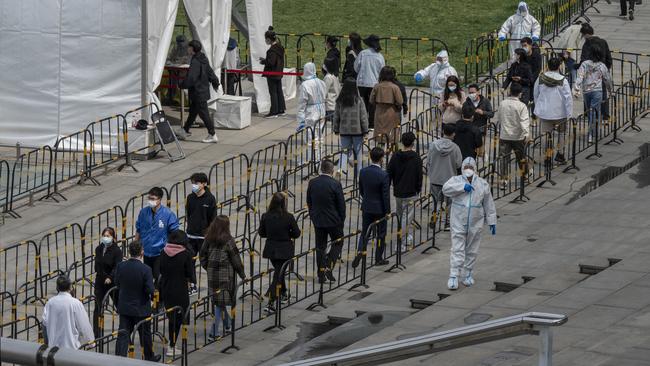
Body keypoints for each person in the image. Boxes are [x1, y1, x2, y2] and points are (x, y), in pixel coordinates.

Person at [442, 157, 497, 290]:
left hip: (475, 221)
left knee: (472, 249)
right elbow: (445, 189)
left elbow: (488, 203)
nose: (468, 170)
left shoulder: (482, 184)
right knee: (457, 248)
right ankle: (454, 275)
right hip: (458, 221)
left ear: (475, 169)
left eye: (471, 168)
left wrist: (491, 220)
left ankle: (467, 273)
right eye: (466, 167)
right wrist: (461, 187)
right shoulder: (455, 181)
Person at [200, 215, 246, 340]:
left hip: (212, 275)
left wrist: (208, 267)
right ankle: (213, 332)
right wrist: (242, 274)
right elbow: (236, 259)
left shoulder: (208, 238)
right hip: (225, 277)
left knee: (218, 301)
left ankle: (228, 324)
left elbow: (202, 255)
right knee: (219, 304)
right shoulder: (228, 240)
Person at [114, 241, 160, 362]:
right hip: (141, 308)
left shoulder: (121, 266)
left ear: (129, 252)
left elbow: (117, 283)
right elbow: (150, 289)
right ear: (142, 252)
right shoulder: (146, 269)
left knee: (123, 334)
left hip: (125, 307)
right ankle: (149, 356)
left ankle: (119, 358)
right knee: (145, 334)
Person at [258, 192, 301, 314]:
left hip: (271, 249)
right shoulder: (288, 217)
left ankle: (284, 294)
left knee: (279, 272)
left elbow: (262, 233)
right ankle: (271, 301)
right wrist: (288, 234)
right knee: (278, 274)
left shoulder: (266, 216)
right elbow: (297, 234)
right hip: (285, 249)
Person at [306, 159, 346, 283]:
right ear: (332, 170)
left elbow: (309, 201)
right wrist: (341, 220)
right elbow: (341, 205)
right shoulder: (335, 184)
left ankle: (321, 274)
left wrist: (312, 215)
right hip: (333, 220)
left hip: (318, 220)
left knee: (320, 247)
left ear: (321, 169)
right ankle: (329, 264)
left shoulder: (312, 182)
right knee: (338, 242)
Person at [352, 147, 391, 268]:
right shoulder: (384, 175)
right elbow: (385, 196)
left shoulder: (363, 171)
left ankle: (360, 251)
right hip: (379, 209)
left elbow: (362, 190)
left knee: (365, 232)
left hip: (367, 206)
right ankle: (378, 258)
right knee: (381, 233)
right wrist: (387, 211)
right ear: (381, 159)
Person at [159, 230, 195, 357]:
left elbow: (160, 270)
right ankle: (172, 345)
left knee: (171, 317)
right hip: (180, 290)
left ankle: (172, 343)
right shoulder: (185, 254)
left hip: (167, 288)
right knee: (179, 317)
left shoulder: (163, 252)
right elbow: (189, 273)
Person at [135, 187, 180, 287]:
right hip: (146, 252)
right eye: (149, 198)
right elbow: (139, 229)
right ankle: (150, 298)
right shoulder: (143, 212)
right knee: (147, 277)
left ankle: (160, 300)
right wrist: (136, 245)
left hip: (160, 252)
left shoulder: (168, 214)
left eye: (153, 198)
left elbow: (175, 233)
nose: (150, 201)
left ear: (159, 199)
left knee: (158, 277)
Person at [387, 132, 423, 250]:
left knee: (400, 215)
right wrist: (418, 189)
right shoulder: (416, 157)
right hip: (411, 192)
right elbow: (419, 176)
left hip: (398, 192)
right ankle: (401, 241)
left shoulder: (395, 156)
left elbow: (389, 173)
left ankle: (404, 236)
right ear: (413, 143)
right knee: (407, 218)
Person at [180, 40, 221, 143]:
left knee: (204, 114)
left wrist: (182, 84)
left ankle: (212, 134)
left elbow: (191, 77)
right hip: (202, 90)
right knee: (193, 112)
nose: (188, 49)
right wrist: (215, 81)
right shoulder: (202, 58)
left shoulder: (195, 61)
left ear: (192, 49)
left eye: (189, 47)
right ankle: (185, 130)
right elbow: (210, 71)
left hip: (198, 91)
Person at [534, 57, 573, 163]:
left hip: (545, 112)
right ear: (559, 66)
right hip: (560, 113)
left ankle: (547, 156)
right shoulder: (563, 80)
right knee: (562, 133)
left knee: (546, 134)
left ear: (548, 65)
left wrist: (538, 107)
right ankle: (560, 154)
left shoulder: (541, 78)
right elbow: (568, 97)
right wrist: (569, 113)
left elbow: (536, 93)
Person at [574, 44, 612, 144]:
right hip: (597, 91)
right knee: (595, 111)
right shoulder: (602, 66)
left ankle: (593, 131)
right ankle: (592, 133)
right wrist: (610, 90)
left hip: (586, 91)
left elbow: (580, 76)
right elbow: (607, 79)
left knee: (590, 111)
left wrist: (576, 86)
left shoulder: (585, 64)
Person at [185, 172, 216, 295]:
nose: (194, 186)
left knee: (206, 262)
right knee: (190, 262)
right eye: (192, 183)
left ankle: (213, 284)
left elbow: (212, 218)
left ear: (204, 184)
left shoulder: (210, 198)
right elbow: (189, 214)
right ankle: (192, 285)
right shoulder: (190, 198)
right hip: (191, 235)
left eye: (196, 183)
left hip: (204, 237)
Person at [42, 276, 94, 349]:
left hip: (53, 349)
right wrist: (91, 342)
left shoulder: (50, 303)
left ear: (57, 287)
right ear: (70, 288)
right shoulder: (75, 303)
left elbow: (44, 324)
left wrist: (47, 343)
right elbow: (84, 326)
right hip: (71, 349)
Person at [427, 124, 463, 229]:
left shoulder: (433, 145)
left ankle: (434, 216)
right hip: (449, 179)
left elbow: (428, 160)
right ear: (453, 134)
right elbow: (458, 164)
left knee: (436, 200)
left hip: (435, 178)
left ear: (443, 132)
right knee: (449, 202)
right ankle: (447, 222)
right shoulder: (455, 148)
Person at [497, 83, 531, 188]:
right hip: (518, 137)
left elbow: (499, 117)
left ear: (509, 91)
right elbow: (524, 121)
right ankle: (525, 175)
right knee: (521, 157)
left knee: (503, 158)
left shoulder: (502, 103)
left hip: (504, 135)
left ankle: (503, 180)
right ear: (520, 94)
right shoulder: (522, 106)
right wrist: (527, 134)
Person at [333, 78, 369, 176]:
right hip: (357, 131)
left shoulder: (340, 100)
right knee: (358, 153)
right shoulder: (359, 100)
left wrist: (335, 128)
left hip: (344, 130)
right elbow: (363, 117)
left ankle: (340, 169)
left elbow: (336, 116)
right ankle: (359, 173)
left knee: (344, 151)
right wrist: (365, 130)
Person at [93, 227, 123, 337]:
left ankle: (125, 328)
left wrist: (110, 277)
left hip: (112, 282)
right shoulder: (98, 249)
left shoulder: (117, 251)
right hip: (100, 281)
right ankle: (96, 334)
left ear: (113, 238)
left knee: (119, 305)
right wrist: (102, 276)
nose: (106, 238)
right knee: (98, 307)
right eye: (104, 236)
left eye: (108, 236)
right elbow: (97, 265)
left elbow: (117, 267)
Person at [355, 34, 385, 130]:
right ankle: (371, 124)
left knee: (362, 104)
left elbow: (356, 67)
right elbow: (382, 70)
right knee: (372, 104)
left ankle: (362, 123)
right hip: (374, 84)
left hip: (362, 83)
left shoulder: (363, 53)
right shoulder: (379, 56)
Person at [370, 66, 404, 141]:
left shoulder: (377, 86)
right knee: (392, 135)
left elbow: (371, 100)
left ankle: (380, 150)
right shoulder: (394, 87)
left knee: (380, 135)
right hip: (392, 112)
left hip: (379, 111)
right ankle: (392, 150)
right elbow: (400, 101)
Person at [259, 26, 286, 118]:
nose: (265, 41)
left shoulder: (271, 50)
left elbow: (271, 62)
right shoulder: (280, 47)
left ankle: (274, 111)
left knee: (273, 92)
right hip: (279, 72)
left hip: (272, 74)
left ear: (269, 39)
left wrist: (263, 61)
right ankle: (281, 109)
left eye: (266, 39)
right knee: (279, 91)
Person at [296, 62, 327, 131]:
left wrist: (301, 119)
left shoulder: (305, 85)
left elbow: (302, 103)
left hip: (311, 111)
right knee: (320, 132)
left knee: (310, 133)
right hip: (322, 110)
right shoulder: (321, 82)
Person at [554, 21, 584, 88]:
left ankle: (568, 86)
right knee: (572, 69)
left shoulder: (572, 27)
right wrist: (568, 52)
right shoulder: (578, 29)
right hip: (566, 51)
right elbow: (571, 40)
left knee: (566, 70)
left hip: (561, 49)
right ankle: (574, 86)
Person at [166, 34, 190, 105]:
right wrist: (171, 60)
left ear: (186, 41)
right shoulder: (176, 48)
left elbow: (189, 60)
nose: (180, 43)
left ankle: (183, 100)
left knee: (182, 84)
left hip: (185, 71)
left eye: (182, 41)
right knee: (172, 81)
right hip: (175, 70)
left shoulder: (189, 48)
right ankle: (173, 97)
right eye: (178, 41)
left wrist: (182, 60)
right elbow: (170, 57)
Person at [323, 57, 342, 121]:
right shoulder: (335, 76)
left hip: (330, 105)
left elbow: (324, 92)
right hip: (335, 103)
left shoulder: (328, 77)